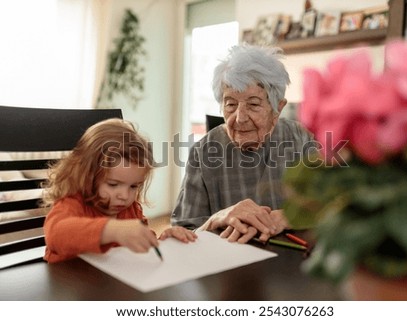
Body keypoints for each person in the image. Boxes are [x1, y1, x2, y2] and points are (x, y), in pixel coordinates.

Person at [172, 44, 315, 244]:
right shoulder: (203, 152)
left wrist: (289, 216)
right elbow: (181, 232)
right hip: (228, 265)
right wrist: (217, 218)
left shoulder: (302, 139)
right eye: (230, 104)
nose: (239, 118)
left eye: (253, 104)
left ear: (278, 108)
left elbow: (337, 207)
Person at [43, 118, 197, 263]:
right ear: (86, 175)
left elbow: (137, 240)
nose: (124, 196)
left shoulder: (130, 209)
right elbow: (55, 234)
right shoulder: (73, 203)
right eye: (112, 184)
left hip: (108, 285)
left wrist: (162, 240)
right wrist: (112, 230)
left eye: (133, 186)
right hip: (67, 284)